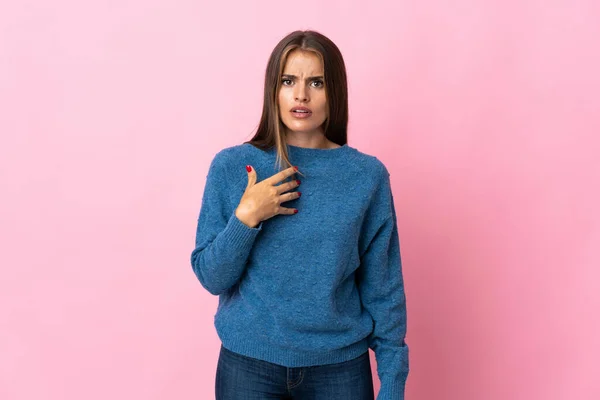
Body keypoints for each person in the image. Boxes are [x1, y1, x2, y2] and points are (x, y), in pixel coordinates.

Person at [190, 30, 409, 400]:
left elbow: (383, 287)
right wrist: (246, 217)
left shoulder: (366, 177)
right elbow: (212, 277)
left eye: (316, 82)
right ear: (272, 90)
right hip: (248, 366)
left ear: (334, 91)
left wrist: (392, 381)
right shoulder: (233, 167)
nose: (301, 94)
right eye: (288, 81)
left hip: (338, 370)